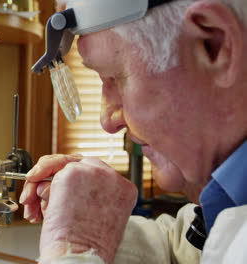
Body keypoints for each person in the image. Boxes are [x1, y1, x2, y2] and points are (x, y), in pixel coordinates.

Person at [20, 0, 247, 263]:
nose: (107, 121)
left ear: (215, 46)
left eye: (116, 77)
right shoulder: (230, 198)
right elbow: (192, 247)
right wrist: (91, 223)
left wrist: (78, 250)